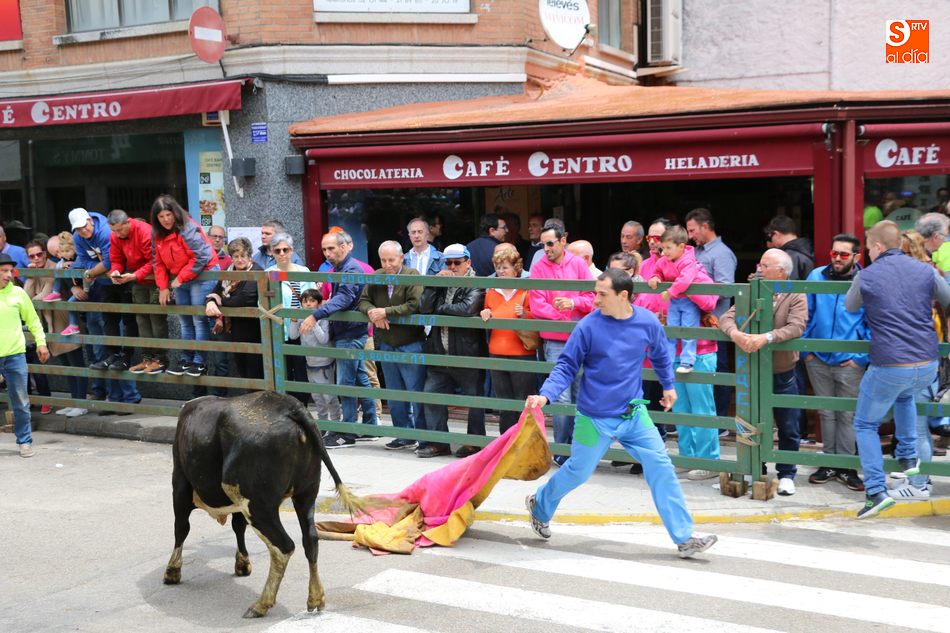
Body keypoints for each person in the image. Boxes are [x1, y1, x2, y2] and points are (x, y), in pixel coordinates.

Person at [523, 268, 717, 558]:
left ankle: (685, 538)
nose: (595, 299)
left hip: (634, 415)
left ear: (623, 295)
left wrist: (668, 386)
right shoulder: (588, 325)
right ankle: (539, 505)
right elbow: (566, 366)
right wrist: (546, 395)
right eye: (595, 292)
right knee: (577, 472)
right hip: (593, 417)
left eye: (602, 294)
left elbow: (662, 354)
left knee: (662, 468)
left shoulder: (647, 322)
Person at [846, 220, 950, 518]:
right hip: (927, 362)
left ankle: (876, 492)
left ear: (877, 247)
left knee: (865, 424)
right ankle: (908, 459)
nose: (865, 252)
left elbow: (851, 306)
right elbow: (948, 300)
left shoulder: (867, 275)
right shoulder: (925, 270)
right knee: (905, 398)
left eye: (867, 247)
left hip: (891, 362)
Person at [720, 249, 808, 496]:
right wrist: (736, 334)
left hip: (781, 370)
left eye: (765, 265)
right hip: (752, 370)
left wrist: (766, 338)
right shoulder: (752, 290)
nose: (759, 268)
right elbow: (726, 318)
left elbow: (797, 327)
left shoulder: (795, 293)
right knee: (749, 422)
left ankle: (787, 474)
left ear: (781, 271)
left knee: (788, 423)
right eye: (760, 263)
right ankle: (753, 468)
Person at [802, 234, 868, 491]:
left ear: (856, 257)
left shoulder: (865, 280)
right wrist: (807, 350)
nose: (837, 259)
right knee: (826, 413)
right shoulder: (816, 276)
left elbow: (873, 320)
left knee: (847, 414)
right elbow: (805, 311)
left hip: (849, 360)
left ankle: (846, 466)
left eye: (843, 254)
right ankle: (829, 462)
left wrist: (860, 358)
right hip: (817, 357)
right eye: (834, 254)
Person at [300, 230, 375, 448]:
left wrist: (316, 314)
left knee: (345, 383)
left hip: (350, 334)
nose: (327, 253)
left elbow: (344, 299)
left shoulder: (350, 269)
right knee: (360, 378)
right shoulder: (340, 268)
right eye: (324, 249)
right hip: (350, 332)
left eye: (331, 248)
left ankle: (347, 432)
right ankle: (370, 425)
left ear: (344, 247)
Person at [529, 221, 595, 465]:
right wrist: (565, 315)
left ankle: (576, 448)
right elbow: (537, 306)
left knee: (580, 395)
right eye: (542, 244)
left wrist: (572, 304)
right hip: (555, 340)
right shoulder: (538, 268)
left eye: (549, 243)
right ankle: (561, 449)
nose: (545, 248)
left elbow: (592, 298)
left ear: (563, 240)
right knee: (561, 396)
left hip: (580, 339)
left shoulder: (578, 264)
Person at [417, 243, 486, 458]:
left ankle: (474, 443)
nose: (452, 267)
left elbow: (466, 309)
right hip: (439, 351)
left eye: (457, 262)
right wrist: (433, 285)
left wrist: (441, 311)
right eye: (448, 262)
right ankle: (439, 443)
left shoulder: (476, 282)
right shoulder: (442, 282)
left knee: (474, 399)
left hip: (467, 353)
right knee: (432, 395)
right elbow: (424, 307)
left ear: (468, 262)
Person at [358, 241, 427, 450]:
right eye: (383, 260)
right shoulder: (377, 276)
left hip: (410, 342)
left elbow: (415, 304)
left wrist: (386, 312)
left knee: (416, 391)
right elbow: (362, 300)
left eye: (391, 260)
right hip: (387, 342)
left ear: (401, 258)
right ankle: (403, 434)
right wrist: (372, 312)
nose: (387, 264)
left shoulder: (411, 275)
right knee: (395, 392)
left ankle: (423, 437)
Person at [70, 208, 141, 409]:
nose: (83, 232)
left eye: (84, 226)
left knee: (116, 344)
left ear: (90, 220)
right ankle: (113, 397)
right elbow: (82, 261)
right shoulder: (78, 237)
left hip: (120, 284)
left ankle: (128, 396)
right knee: (105, 350)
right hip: (99, 290)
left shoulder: (105, 231)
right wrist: (96, 271)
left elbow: (110, 261)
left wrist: (91, 272)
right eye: (79, 229)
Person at [150, 195, 219, 378]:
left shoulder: (188, 228)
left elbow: (202, 257)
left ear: (175, 213)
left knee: (198, 319)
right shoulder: (156, 235)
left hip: (203, 273)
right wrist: (163, 287)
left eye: (168, 214)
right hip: (180, 279)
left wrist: (180, 278)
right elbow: (158, 262)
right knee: (184, 320)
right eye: (161, 216)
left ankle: (199, 362)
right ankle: (185, 359)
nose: (166, 220)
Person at [685, 207, 737, 418]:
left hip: (715, 322)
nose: (690, 236)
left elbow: (726, 288)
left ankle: (721, 418)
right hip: (693, 323)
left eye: (693, 230)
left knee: (719, 369)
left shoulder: (722, 253)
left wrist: (695, 290)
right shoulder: (695, 251)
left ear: (705, 227)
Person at [480, 248, 537, 434]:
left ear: (516, 268)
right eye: (498, 267)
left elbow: (538, 319)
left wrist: (526, 314)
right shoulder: (491, 292)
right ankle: (505, 442)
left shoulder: (526, 291)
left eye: (505, 267)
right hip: (496, 353)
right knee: (504, 404)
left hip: (522, 354)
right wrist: (484, 313)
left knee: (523, 401)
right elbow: (487, 321)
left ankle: (524, 442)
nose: (501, 271)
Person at [646, 225, 717, 374]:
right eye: (663, 248)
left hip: (688, 302)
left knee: (688, 331)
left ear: (681, 247)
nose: (664, 252)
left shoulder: (688, 261)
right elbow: (658, 271)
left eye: (668, 248)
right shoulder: (665, 259)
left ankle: (687, 362)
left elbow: (685, 280)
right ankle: (669, 360)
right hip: (675, 302)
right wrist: (655, 277)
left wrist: (670, 292)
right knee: (671, 330)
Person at [0, 252, 49, 457]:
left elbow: (33, 320)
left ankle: (25, 441)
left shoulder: (19, 293)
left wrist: (41, 343)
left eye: (11, 271)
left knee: (21, 400)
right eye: (4, 271)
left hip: (15, 354)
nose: (9, 274)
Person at [107, 209, 167, 375]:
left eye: (120, 229)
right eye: (114, 231)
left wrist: (134, 275)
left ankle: (160, 359)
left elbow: (155, 260)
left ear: (128, 222)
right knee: (141, 319)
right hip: (137, 279)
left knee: (156, 318)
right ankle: (147, 358)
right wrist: (116, 271)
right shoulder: (115, 236)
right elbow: (116, 259)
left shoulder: (144, 231)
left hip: (155, 279)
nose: (118, 234)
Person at [205, 237, 264, 381]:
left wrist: (220, 300)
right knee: (241, 369)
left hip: (255, 332)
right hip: (235, 330)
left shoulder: (256, 271)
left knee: (254, 371)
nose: (239, 260)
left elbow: (244, 299)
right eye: (235, 256)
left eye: (243, 256)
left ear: (249, 256)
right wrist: (211, 301)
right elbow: (215, 290)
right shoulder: (228, 272)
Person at [267, 233, 316, 404]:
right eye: (277, 250)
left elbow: (313, 299)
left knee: (302, 370)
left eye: (285, 249)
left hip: (303, 329)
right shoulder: (268, 274)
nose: (281, 253)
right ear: (271, 252)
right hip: (280, 330)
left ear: (291, 250)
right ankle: (285, 409)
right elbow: (263, 303)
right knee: (284, 371)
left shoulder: (304, 272)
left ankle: (301, 407)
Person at [296, 289, 342, 426]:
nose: (308, 304)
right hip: (309, 362)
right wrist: (293, 322)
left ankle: (335, 424)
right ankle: (322, 424)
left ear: (319, 303)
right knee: (317, 396)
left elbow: (323, 339)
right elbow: (293, 336)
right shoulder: (299, 317)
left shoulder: (323, 318)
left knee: (329, 396)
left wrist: (314, 321)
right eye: (305, 301)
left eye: (312, 301)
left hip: (324, 363)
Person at [22, 241, 54, 413]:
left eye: (39, 254)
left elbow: (41, 297)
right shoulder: (33, 272)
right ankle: (29, 401)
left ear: (45, 253)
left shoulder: (52, 267)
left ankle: (46, 400)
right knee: (26, 363)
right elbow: (25, 296)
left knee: (39, 364)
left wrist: (29, 303)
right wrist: (31, 276)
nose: (36, 258)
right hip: (33, 324)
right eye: (32, 256)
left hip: (51, 324)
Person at [764, 216, 814, 280]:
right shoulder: (808, 249)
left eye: (770, 237)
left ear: (776, 234)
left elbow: (787, 286)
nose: (770, 241)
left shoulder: (788, 256)